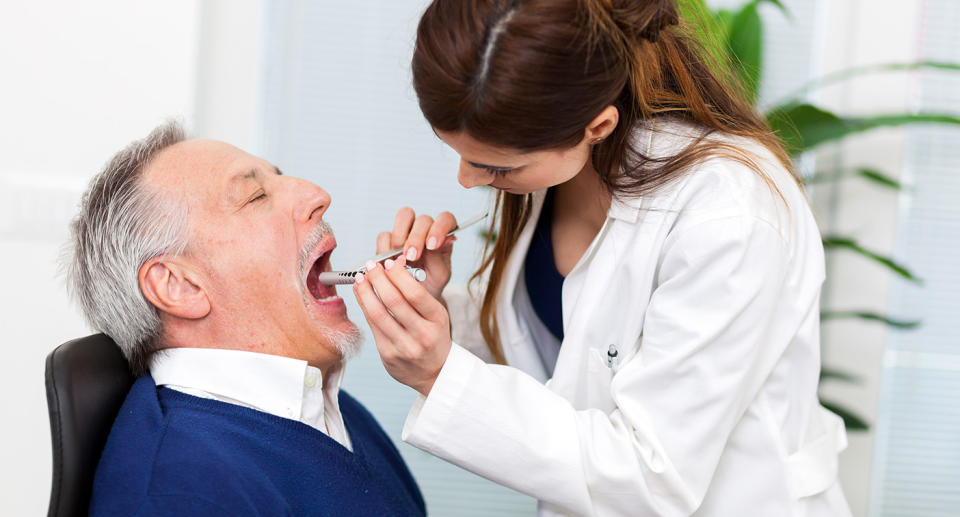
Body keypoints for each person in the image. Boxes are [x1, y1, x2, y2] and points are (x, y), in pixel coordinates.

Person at [351, 0, 852, 515]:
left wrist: (439, 374)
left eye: (496, 167)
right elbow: (566, 345)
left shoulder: (727, 215)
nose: (466, 180)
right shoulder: (564, 164)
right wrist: (436, 311)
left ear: (597, 125)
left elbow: (652, 474)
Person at [64, 121, 425, 516]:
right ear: (179, 286)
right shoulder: (180, 497)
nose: (318, 196)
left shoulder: (330, 408)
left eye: (280, 178)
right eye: (256, 196)